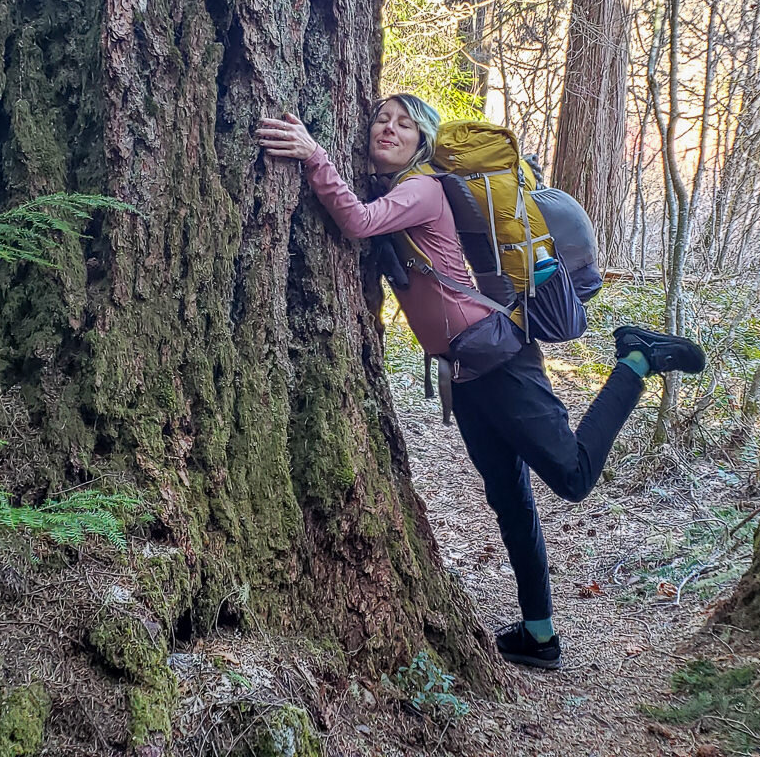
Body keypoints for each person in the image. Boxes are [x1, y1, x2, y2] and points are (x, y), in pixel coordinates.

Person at [257, 95, 705, 670]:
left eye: (404, 124)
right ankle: (539, 635)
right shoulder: (399, 190)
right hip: (466, 375)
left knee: (570, 475)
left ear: (423, 141)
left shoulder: (422, 189)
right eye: (380, 120)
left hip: (502, 363)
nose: (387, 129)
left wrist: (316, 155)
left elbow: (357, 223)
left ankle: (637, 359)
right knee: (510, 500)